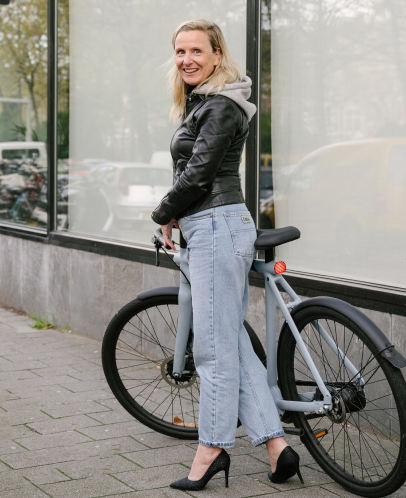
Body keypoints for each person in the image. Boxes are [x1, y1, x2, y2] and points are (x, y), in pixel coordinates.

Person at [151, 19, 303, 492]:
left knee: (214, 352)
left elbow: (198, 176)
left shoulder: (221, 105)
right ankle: (279, 450)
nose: (187, 59)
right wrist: (178, 217)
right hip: (209, 226)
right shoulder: (204, 103)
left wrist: (161, 213)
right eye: (180, 51)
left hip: (216, 226)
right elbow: (195, 175)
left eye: (196, 50)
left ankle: (211, 449)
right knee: (232, 344)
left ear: (217, 54)